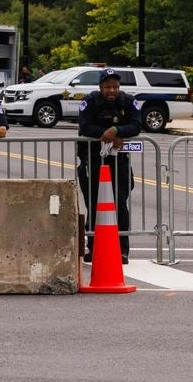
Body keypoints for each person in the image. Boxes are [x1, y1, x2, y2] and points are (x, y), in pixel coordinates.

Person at [76, 68, 140, 264]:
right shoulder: (90, 101)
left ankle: (122, 250)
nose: (111, 90)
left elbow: (137, 125)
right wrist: (106, 133)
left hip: (118, 162)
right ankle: (93, 248)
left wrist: (117, 130)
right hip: (93, 160)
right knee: (94, 204)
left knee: (119, 205)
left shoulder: (128, 101)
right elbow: (85, 126)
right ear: (100, 87)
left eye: (115, 86)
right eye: (107, 87)